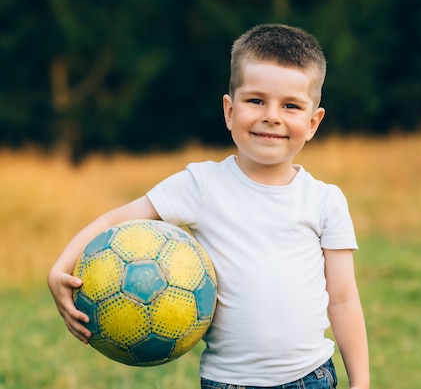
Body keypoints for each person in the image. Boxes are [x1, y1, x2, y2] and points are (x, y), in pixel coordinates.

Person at [48, 23, 369, 389]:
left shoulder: (325, 200)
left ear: (313, 123)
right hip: (227, 381)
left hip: (309, 377)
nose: (272, 116)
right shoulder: (200, 185)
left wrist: (360, 381)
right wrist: (59, 267)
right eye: (256, 100)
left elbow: (343, 300)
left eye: (291, 106)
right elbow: (112, 220)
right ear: (229, 110)